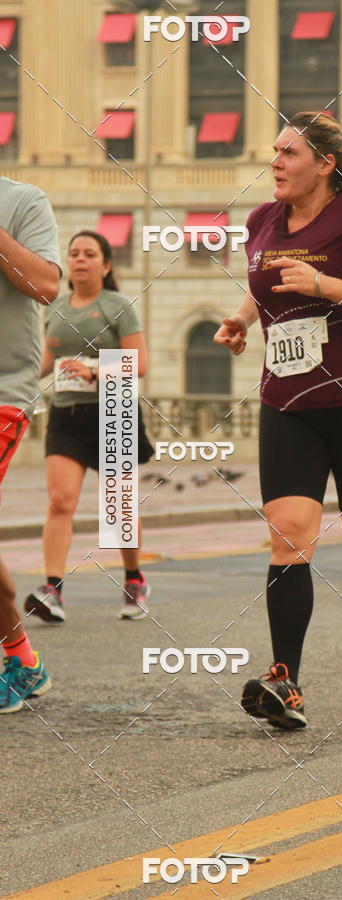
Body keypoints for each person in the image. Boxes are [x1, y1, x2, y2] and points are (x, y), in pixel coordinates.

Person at [215, 112, 342, 728]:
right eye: (273, 150)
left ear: (325, 163)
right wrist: (244, 319)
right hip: (289, 402)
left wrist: (328, 285)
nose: (274, 161)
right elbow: (265, 282)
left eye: (289, 152)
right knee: (289, 533)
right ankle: (286, 680)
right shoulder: (260, 222)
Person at [23, 230, 154, 624]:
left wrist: (95, 370)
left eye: (89, 254)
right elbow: (44, 360)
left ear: (106, 264)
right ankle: (52, 591)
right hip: (66, 414)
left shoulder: (118, 305)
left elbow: (140, 365)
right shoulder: (56, 306)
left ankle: (134, 580)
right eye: (74, 253)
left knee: (118, 509)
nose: (80, 259)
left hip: (113, 411)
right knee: (60, 501)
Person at [0, 175, 61, 712]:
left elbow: (44, 285)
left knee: (79, 501)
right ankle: (20, 656)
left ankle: (130, 576)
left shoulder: (22, 201)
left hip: (3, 392)